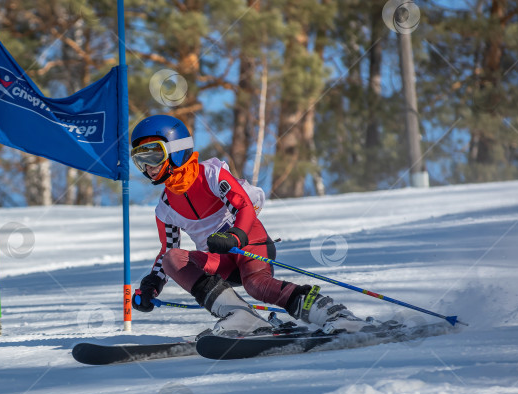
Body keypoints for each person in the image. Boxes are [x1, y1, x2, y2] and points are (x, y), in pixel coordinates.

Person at [130, 114, 364, 336]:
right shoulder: (165, 207)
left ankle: (334, 314)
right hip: (220, 260)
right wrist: (152, 284)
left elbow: (244, 207)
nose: (148, 167)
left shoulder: (211, 175)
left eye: (154, 156)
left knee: (257, 285)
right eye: (140, 160)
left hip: (248, 243)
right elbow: (167, 250)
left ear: (176, 151)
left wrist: (235, 236)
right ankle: (241, 316)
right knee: (172, 258)